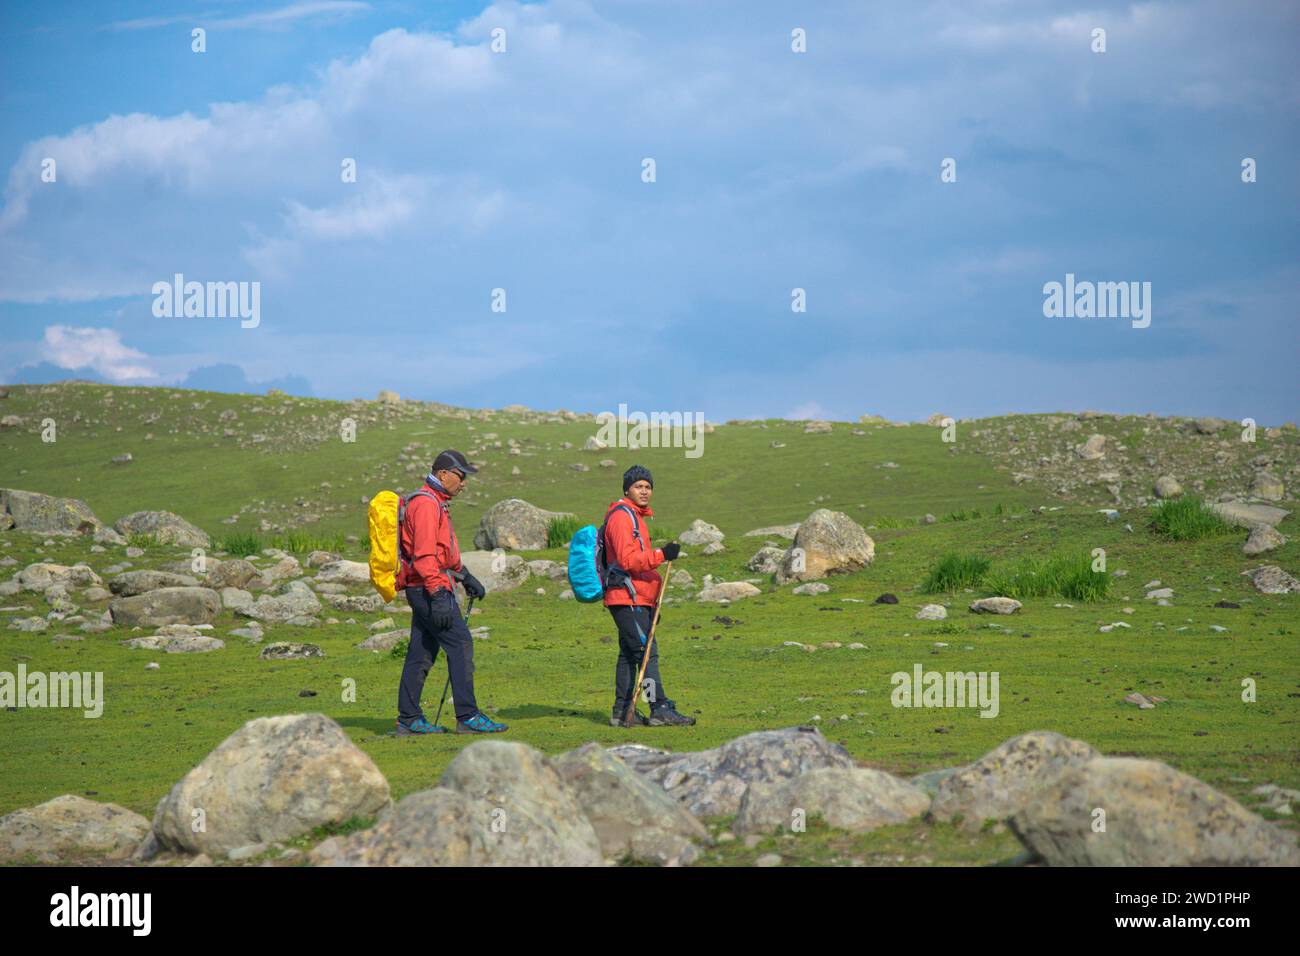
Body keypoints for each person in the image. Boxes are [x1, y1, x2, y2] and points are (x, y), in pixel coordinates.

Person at [394, 449, 507, 735]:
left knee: (421, 652)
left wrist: (465, 575)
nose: (464, 482)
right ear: (442, 474)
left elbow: (443, 552)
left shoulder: (436, 502)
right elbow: (424, 556)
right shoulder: (427, 505)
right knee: (460, 644)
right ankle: (467, 716)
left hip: (425, 587)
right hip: (429, 589)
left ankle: (408, 719)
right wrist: (439, 594)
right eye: (460, 475)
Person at [603, 465, 695, 727]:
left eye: (648, 487)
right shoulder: (622, 517)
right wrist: (661, 555)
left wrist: (651, 600)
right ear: (626, 489)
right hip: (626, 598)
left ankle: (621, 712)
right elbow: (629, 561)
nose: (644, 491)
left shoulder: (635, 517)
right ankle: (658, 707)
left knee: (629, 654)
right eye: (638, 486)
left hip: (635, 598)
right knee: (645, 653)